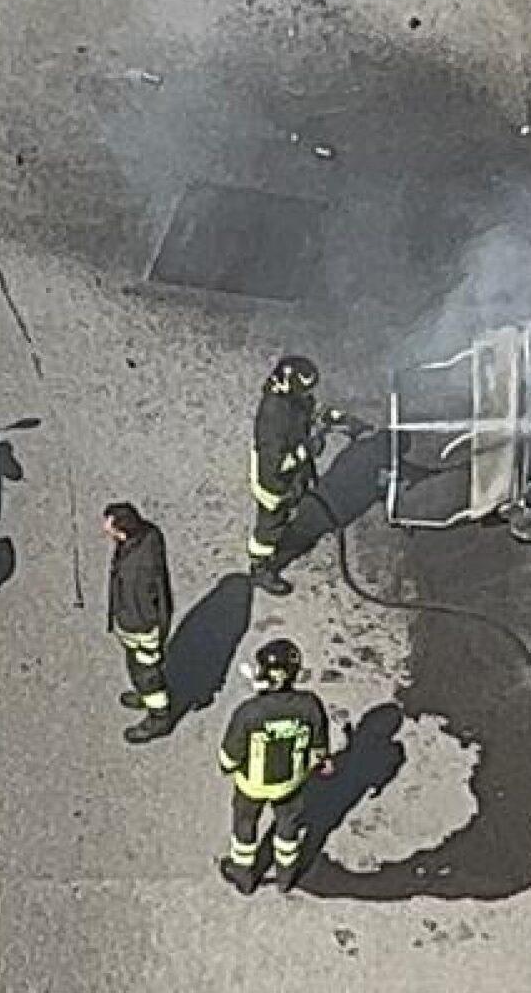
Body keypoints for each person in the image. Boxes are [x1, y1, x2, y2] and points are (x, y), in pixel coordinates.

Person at [217, 638, 332, 894]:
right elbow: (319, 748)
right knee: (288, 829)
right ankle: (286, 877)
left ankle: (243, 876)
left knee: (245, 826)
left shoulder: (249, 712)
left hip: (252, 786)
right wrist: (322, 762)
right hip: (291, 784)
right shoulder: (309, 705)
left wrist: (228, 767)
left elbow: (228, 758)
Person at [246, 355, 358, 595]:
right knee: (269, 528)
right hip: (273, 487)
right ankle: (260, 569)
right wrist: (307, 450)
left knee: (287, 514)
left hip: (292, 478)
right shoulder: (273, 417)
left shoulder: (292, 398)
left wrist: (342, 419)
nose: (307, 395)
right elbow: (274, 466)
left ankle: (278, 542)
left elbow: (311, 411)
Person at [103, 501, 176, 744]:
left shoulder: (136, 570)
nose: (106, 529)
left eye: (110, 526)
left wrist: (127, 627)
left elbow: (138, 607)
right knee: (139, 667)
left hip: (141, 629)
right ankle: (146, 695)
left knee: (147, 673)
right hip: (143, 625)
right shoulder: (149, 536)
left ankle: (158, 717)